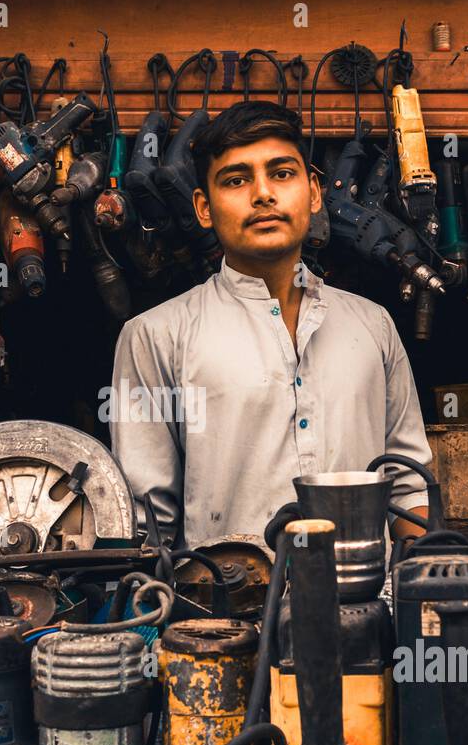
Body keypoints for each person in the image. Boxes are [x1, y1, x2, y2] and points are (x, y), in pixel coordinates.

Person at [109, 99, 432, 549]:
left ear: (314, 193)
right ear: (203, 207)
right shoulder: (155, 336)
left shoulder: (373, 326)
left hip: (366, 605)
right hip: (225, 610)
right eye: (236, 180)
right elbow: (147, 524)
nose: (262, 194)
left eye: (281, 173)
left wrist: (420, 582)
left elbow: (407, 484)